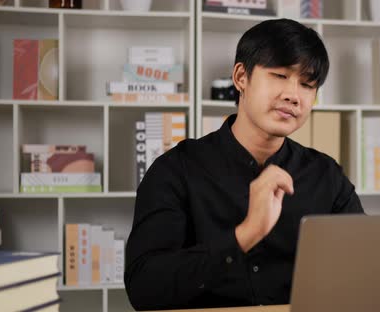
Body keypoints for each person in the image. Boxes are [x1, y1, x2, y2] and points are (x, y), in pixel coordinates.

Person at [124, 18, 364, 310]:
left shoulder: (326, 175)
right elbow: (144, 290)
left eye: (307, 84)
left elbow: (364, 270)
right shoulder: (175, 171)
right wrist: (245, 235)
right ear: (241, 77)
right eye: (279, 75)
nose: (293, 95)